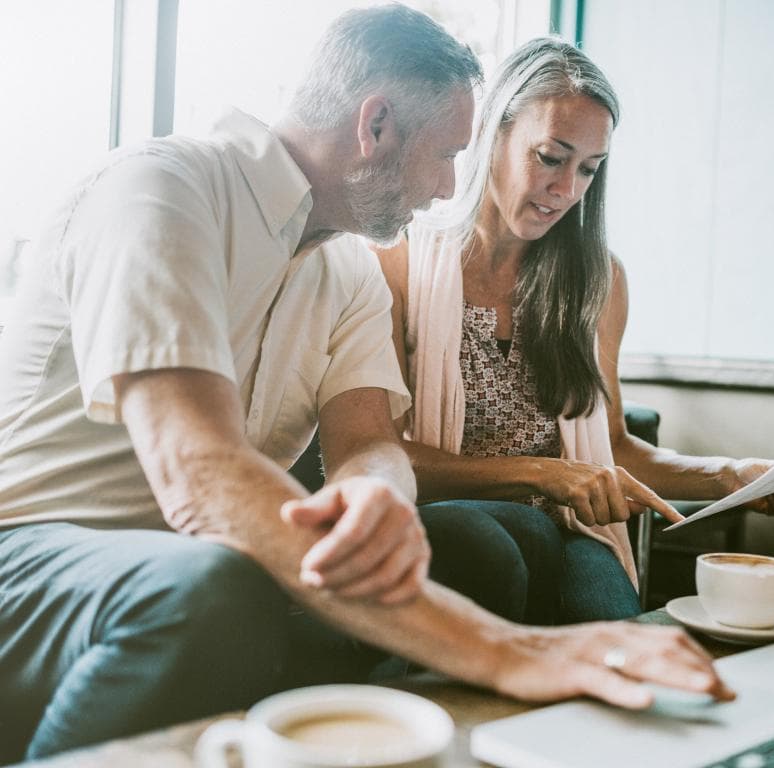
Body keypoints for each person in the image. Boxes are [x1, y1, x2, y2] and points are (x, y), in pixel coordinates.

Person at [0, 6, 731, 763]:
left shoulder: (345, 267)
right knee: (207, 589)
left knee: (468, 543)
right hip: (31, 550)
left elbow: (369, 443)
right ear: (374, 126)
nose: (452, 185)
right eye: (447, 153)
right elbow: (201, 476)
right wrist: (510, 651)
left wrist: (380, 492)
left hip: (202, 557)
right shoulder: (164, 189)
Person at [374, 37, 774, 624]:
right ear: (492, 133)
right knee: (512, 543)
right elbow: (380, 452)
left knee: (621, 637)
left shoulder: (599, 281)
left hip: (571, 532)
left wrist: (733, 476)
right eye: (550, 157)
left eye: (589, 169)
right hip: (457, 526)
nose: (567, 191)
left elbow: (610, 447)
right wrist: (545, 475)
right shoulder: (399, 261)